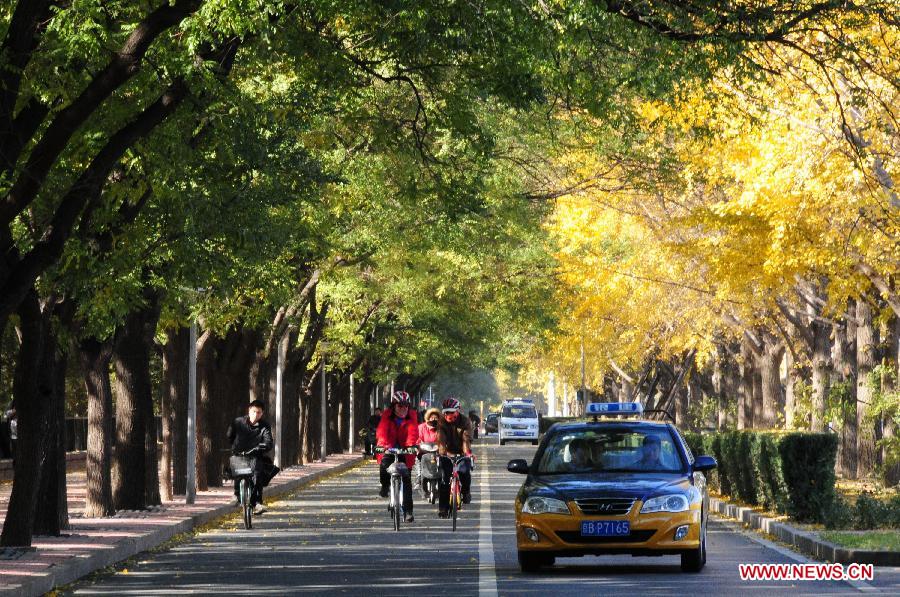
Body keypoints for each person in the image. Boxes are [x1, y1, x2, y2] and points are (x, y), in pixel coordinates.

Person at [376, 390, 419, 522]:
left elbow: (413, 432)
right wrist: (383, 446)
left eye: (406, 405)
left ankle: (408, 511)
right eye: (400, 406)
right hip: (389, 447)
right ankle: (385, 486)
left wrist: (411, 446)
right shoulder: (386, 416)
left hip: (406, 450)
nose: (403, 409)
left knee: (406, 481)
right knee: (384, 466)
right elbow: (382, 432)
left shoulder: (412, 416)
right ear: (394, 406)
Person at [227, 400, 275, 515]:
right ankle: (237, 495)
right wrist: (235, 446)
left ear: (262, 413)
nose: (255, 415)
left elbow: (268, 441)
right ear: (249, 410)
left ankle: (258, 503)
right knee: (238, 472)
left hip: (255, 455)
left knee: (257, 475)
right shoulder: (238, 422)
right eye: (254, 411)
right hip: (239, 453)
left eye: (258, 412)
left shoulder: (264, 426)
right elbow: (230, 436)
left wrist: (264, 446)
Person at [436, 397, 473, 518]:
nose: (448, 414)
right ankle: (443, 508)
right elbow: (441, 439)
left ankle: (465, 491)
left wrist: (467, 453)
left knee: (464, 472)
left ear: (458, 411)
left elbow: (466, 439)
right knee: (444, 480)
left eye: (451, 412)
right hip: (447, 453)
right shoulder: (441, 422)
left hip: (462, 452)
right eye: (446, 412)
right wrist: (442, 452)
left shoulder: (465, 421)